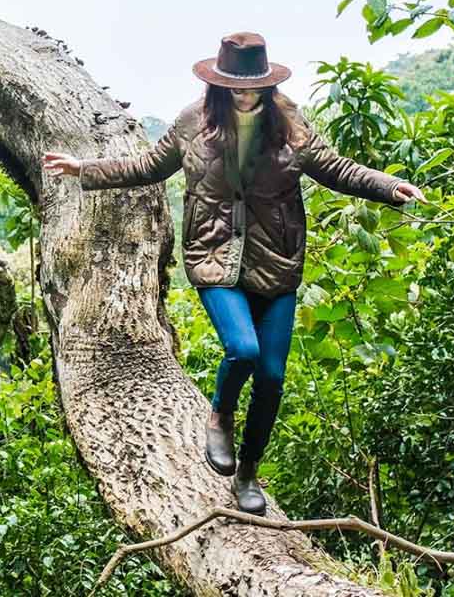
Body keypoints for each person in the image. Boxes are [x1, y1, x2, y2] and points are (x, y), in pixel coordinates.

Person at [40, 32, 420, 514]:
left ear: (265, 83)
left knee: (273, 376)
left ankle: (248, 474)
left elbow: (335, 168)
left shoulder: (291, 124)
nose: (243, 94)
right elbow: (150, 165)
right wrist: (85, 169)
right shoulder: (193, 123)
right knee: (242, 349)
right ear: (219, 83)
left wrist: (389, 186)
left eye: (252, 86)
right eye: (235, 86)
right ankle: (219, 414)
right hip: (215, 255)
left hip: (275, 262)